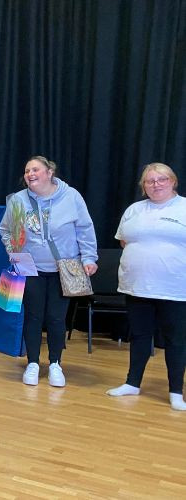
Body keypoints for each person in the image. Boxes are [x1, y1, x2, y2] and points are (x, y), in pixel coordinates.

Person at [0, 156, 97, 387]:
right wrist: (15, 253)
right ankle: (32, 363)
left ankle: (55, 363)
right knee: (32, 316)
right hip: (29, 268)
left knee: (55, 318)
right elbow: (6, 230)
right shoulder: (18, 200)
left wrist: (89, 257)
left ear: (49, 172)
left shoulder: (71, 196)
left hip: (64, 269)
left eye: (35, 169)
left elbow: (85, 229)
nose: (30, 174)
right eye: (26, 171)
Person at [107, 163, 186, 411]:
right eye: (150, 181)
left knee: (176, 340)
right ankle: (132, 383)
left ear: (173, 181)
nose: (156, 184)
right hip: (136, 286)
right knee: (140, 336)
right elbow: (123, 241)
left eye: (161, 179)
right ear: (144, 186)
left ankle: (175, 392)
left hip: (175, 287)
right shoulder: (134, 210)